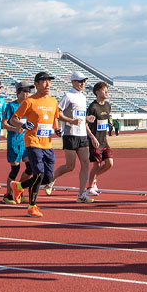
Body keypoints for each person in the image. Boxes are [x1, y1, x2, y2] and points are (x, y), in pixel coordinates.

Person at [9, 71, 77, 217]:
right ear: (36, 84)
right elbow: (13, 119)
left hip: (47, 144)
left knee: (47, 178)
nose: (48, 84)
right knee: (38, 172)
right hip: (33, 141)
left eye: (49, 82)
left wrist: (57, 129)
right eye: (44, 82)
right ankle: (32, 206)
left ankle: (19, 186)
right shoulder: (30, 101)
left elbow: (54, 118)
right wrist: (24, 124)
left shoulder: (53, 101)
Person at [51, 72, 95, 202]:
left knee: (86, 164)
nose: (82, 84)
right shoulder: (68, 96)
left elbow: (79, 115)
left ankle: (81, 194)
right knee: (70, 166)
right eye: (79, 81)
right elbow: (57, 114)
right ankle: (51, 179)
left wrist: (87, 118)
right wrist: (71, 121)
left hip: (82, 135)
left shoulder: (83, 97)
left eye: (84, 81)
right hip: (70, 134)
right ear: (73, 82)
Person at [1, 81, 33, 204]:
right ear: (18, 92)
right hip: (14, 141)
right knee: (15, 169)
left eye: (29, 91)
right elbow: (3, 123)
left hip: (27, 142)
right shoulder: (11, 106)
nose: (27, 94)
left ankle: (18, 188)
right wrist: (15, 128)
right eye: (25, 91)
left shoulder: (29, 106)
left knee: (30, 167)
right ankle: (8, 194)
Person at [86, 81, 116, 196]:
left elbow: (108, 118)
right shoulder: (93, 107)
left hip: (104, 140)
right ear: (97, 92)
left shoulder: (108, 105)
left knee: (109, 163)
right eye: (104, 90)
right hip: (95, 141)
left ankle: (93, 180)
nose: (106, 92)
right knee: (96, 165)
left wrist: (110, 124)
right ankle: (89, 188)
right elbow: (86, 124)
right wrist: (92, 137)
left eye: (107, 89)